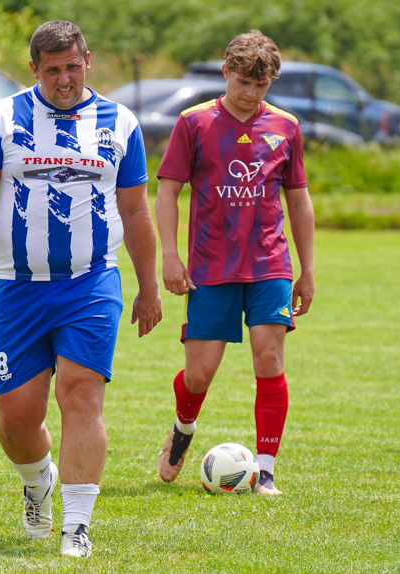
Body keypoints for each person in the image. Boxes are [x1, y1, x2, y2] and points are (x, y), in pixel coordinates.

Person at [0, 20, 162, 557]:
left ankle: (77, 527)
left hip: (91, 282)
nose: (64, 79)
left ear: (87, 60)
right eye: (53, 71)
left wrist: (147, 285)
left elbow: (135, 209)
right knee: (16, 417)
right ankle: (37, 480)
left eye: (73, 67)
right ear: (34, 69)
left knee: (81, 393)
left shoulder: (121, 123)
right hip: (18, 288)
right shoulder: (3, 117)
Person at [154, 30, 315, 495]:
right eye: (243, 82)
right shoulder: (193, 122)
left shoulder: (286, 126)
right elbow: (168, 191)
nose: (250, 94)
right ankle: (183, 426)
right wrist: (170, 255)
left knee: (269, 358)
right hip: (210, 268)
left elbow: (299, 202)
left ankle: (264, 471)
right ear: (226, 73)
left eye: (261, 87)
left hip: (270, 265)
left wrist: (306, 270)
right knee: (200, 374)